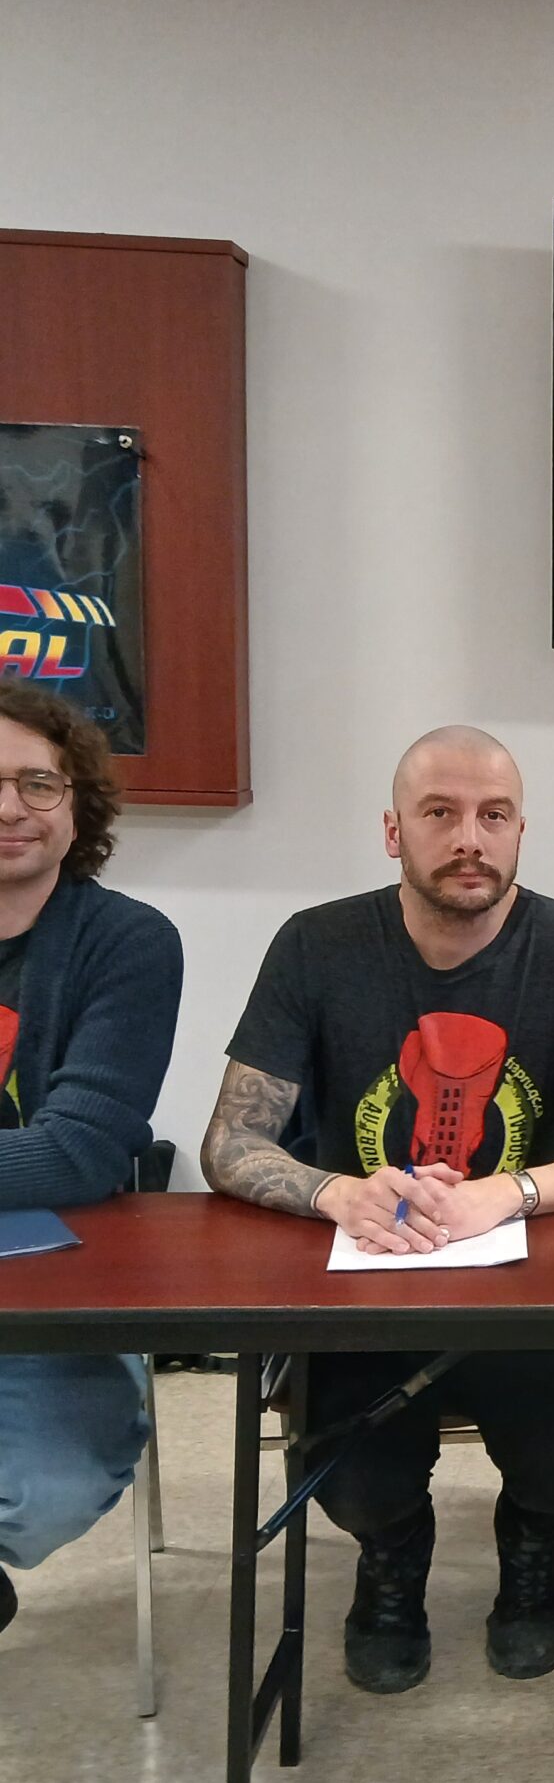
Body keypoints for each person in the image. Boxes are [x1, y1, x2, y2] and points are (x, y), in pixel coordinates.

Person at [201, 726, 554, 1693]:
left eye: (493, 816)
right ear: (392, 831)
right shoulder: (316, 945)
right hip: (362, 1273)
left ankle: (533, 1552)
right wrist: (335, 1191)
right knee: (355, 1473)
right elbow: (229, 1143)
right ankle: (392, 1560)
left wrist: (510, 1191)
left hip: (523, 1278)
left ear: (520, 832)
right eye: (440, 814)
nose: (470, 838)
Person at [0, 683, 183, 1638]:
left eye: (37, 784)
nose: (8, 809)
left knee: (51, 1491)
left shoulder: (128, 942)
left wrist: (42, 1162)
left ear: (78, 809)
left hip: (55, 1291)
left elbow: (78, 1152)